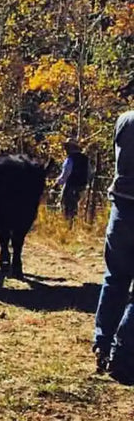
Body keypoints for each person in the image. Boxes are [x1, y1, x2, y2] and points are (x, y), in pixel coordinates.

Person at [93, 110, 134, 383]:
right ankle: (122, 354)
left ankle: (102, 342)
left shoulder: (124, 119)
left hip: (121, 209)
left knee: (115, 278)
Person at [53, 139, 90, 223]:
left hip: (71, 186)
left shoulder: (70, 159)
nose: (65, 149)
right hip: (82, 187)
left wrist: (57, 184)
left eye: (66, 147)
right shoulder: (85, 159)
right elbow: (90, 173)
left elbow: (65, 174)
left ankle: (67, 226)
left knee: (66, 207)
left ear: (70, 147)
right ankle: (75, 224)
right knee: (77, 208)